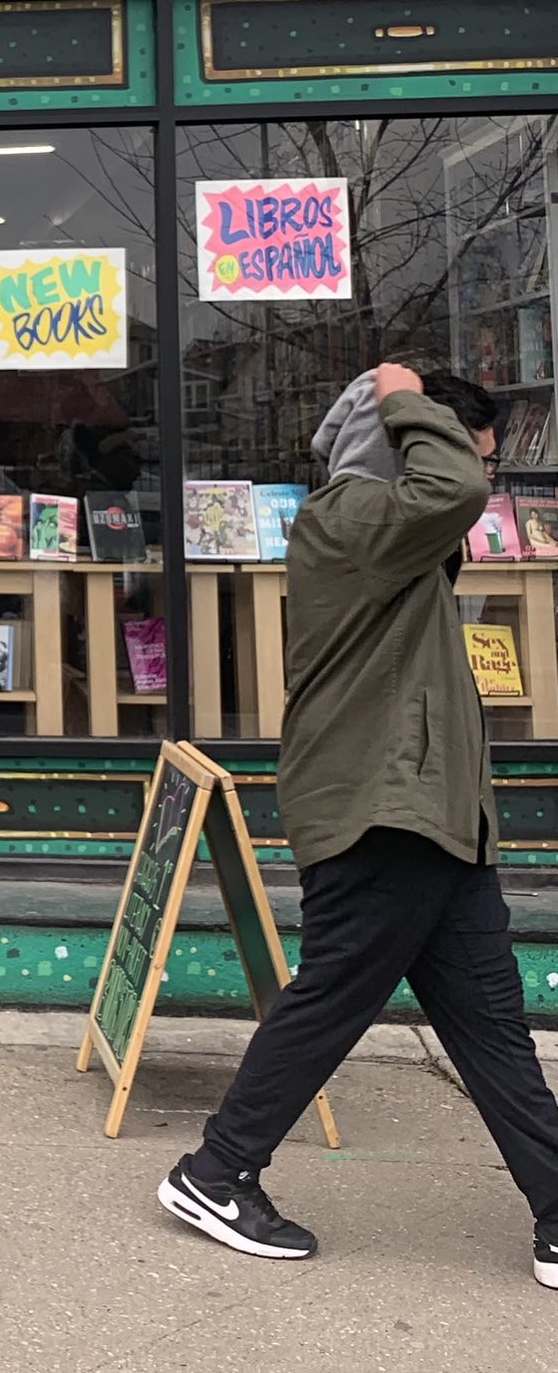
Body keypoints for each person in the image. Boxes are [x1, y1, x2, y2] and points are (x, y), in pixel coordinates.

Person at [158, 363, 558, 1286]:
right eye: (476, 458)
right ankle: (216, 1172)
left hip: (432, 815)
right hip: (384, 809)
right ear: (408, 442)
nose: (486, 486)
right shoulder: (354, 519)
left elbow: (450, 493)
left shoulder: (392, 539)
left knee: (492, 1027)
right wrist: (400, 392)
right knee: (333, 997)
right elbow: (451, 488)